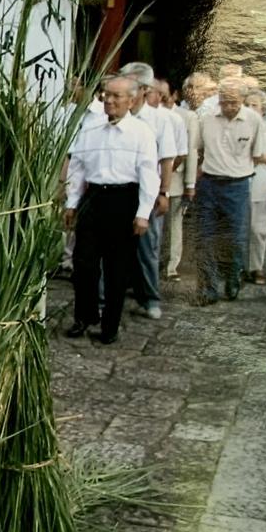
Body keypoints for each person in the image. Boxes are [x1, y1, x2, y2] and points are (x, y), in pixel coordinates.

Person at [65, 76, 159, 345]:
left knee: (117, 268)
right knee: (83, 263)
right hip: (93, 197)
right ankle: (84, 316)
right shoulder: (90, 129)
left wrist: (143, 213)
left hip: (123, 199)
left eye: (117, 96)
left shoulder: (141, 133)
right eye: (106, 94)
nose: (109, 100)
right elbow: (78, 167)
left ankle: (110, 325)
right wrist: (72, 203)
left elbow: (148, 174)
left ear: (131, 100)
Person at [194, 77, 263, 304]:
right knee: (205, 237)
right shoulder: (207, 118)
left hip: (238, 185)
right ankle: (208, 288)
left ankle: (233, 277)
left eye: (234, 102)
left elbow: (257, 154)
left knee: (235, 237)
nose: (229, 106)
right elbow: (199, 150)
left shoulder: (254, 120)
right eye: (224, 101)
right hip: (210, 184)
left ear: (243, 100)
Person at [119, 62, 176, 320]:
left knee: (147, 247)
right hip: (119, 187)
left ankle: (150, 298)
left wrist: (163, 192)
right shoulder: (116, 114)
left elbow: (167, 159)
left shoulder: (160, 119)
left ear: (143, 89)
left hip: (148, 189)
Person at [162, 76, 202, 281]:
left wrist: (190, 184)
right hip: (156, 177)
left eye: (165, 96)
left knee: (174, 223)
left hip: (177, 177)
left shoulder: (187, 117)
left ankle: (171, 266)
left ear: (175, 95)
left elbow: (191, 151)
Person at [246, 92, 266, 284]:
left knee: (259, 229)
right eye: (246, 104)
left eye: (254, 105)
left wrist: (261, 157)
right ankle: (238, 266)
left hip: (262, 181)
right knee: (240, 227)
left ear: (263, 109)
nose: (250, 109)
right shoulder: (236, 127)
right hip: (238, 181)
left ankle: (257, 267)